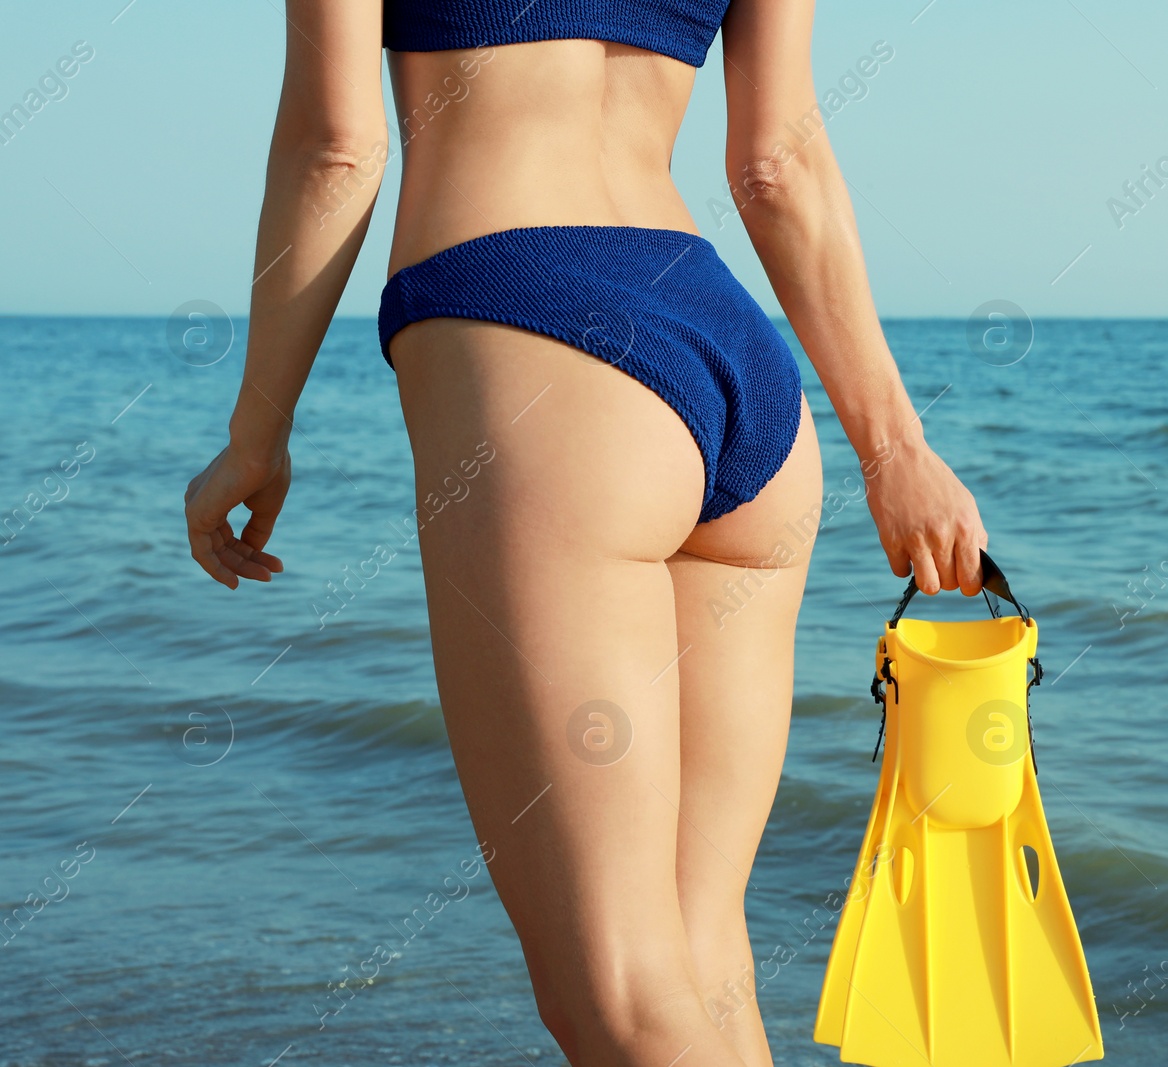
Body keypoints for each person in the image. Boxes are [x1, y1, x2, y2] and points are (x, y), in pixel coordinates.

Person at [183, 2, 986, 1063]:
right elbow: (777, 168)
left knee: (615, 996)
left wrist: (257, 431)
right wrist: (895, 449)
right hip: (735, 365)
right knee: (700, 961)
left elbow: (337, 147)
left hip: (539, 348)